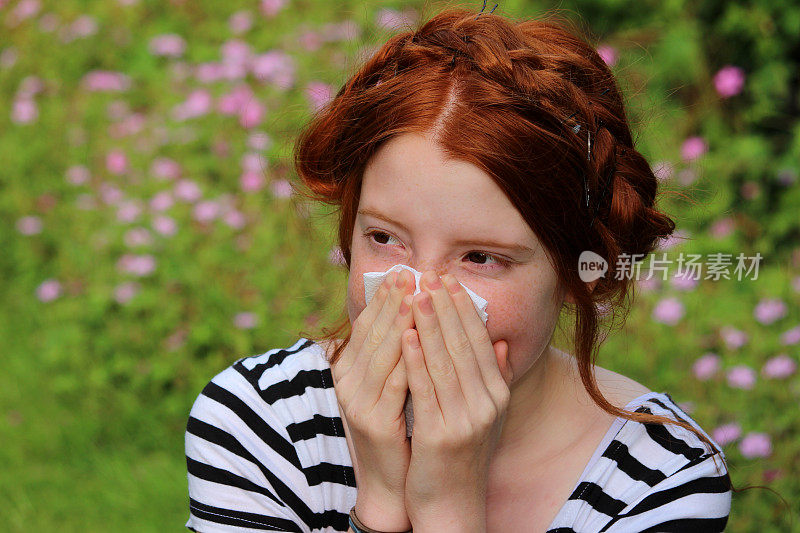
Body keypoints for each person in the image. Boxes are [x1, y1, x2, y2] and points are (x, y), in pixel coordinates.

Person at [185, 7, 733, 532]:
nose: (420, 296)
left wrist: (449, 507)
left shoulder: (661, 477)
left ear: (576, 271)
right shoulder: (257, 423)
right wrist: (380, 503)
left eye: (481, 257)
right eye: (384, 238)